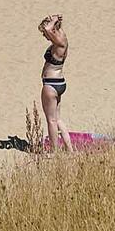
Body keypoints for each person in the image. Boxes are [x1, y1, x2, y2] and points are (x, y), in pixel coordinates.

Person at [36, 14, 71, 154]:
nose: (45, 36)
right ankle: (70, 149)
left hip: (51, 84)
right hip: (58, 82)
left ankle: (54, 152)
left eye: (45, 34)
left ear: (53, 30)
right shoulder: (62, 37)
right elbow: (50, 29)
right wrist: (55, 21)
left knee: (51, 120)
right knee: (57, 119)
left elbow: (48, 29)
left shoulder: (60, 42)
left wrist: (54, 20)